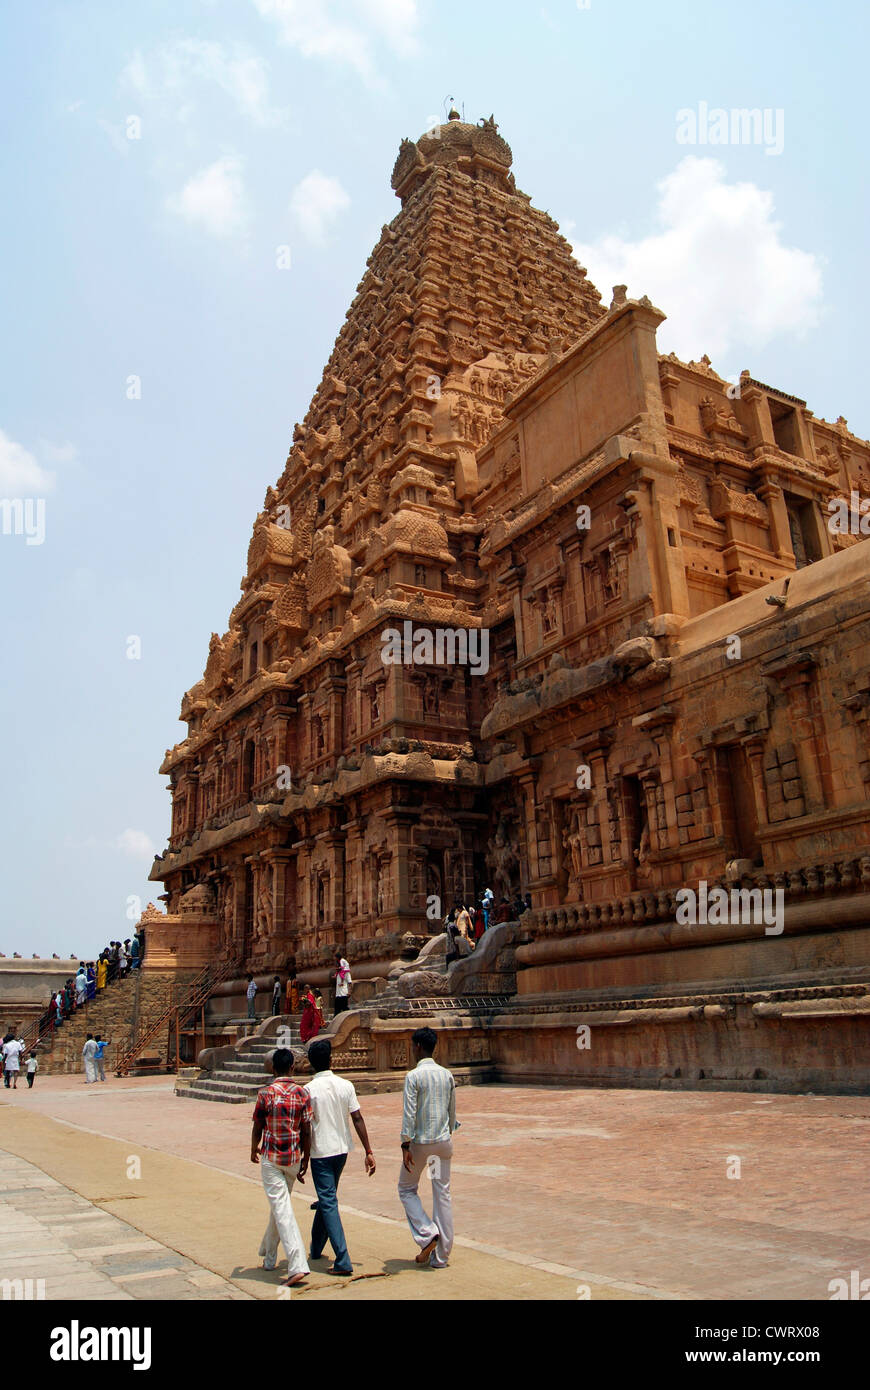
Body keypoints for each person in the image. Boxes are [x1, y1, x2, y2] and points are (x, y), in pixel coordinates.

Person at [302, 1038, 375, 1275]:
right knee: (328, 1197)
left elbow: (305, 1127)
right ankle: (315, 1248)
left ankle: (343, 1259)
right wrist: (368, 1150)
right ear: (331, 1060)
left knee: (328, 1200)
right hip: (342, 1149)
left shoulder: (308, 1090)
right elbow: (357, 1118)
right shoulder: (346, 1085)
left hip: (321, 1151)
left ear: (311, 1064)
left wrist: (303, 1157)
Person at [398, 1026, 459, 1270]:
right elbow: (452, 1112)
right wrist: (446, 1133)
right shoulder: (447, 1075)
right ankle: (441, 1257)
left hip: (421, 1143)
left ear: (418, 1047)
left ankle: (427, 1233)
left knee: (406, 1188)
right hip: (442, 1142)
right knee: (442, 1194)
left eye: (413, 1046)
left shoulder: (413, 1076)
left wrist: (405, 1143)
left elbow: (409, 1113)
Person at [250, 1047, 311, 1287]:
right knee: (280, 1205)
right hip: (293, 1157)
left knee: (282, 1209)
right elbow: (307, 1129)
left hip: (272, 1157)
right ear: (292, 1067)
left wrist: (253, 1147)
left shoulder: (266, 1093)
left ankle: (297, 1264)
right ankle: (269, 1255)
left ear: (274, 1069)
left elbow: (258, 1124)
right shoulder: (302, 1093)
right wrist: (306, 1157)